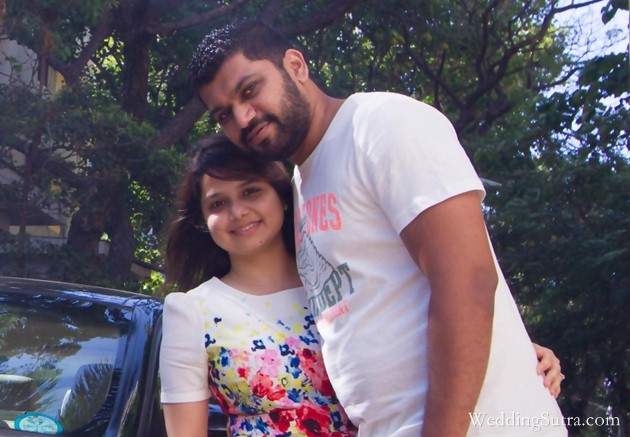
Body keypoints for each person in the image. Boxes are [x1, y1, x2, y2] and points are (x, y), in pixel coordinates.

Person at [187, 21, 568, 436]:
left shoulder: (380, 123)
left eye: (249, 89)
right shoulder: (301, 185)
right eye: (224, 114)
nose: (243, 117)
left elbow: (468, 280)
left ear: (295, 65)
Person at [159, 135, 358, 436]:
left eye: (250, 191)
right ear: (203, 221)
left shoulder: (340, 281)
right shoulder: (191, 311)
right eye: (218, 203)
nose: (238, 212)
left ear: (282, 195)